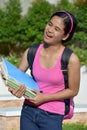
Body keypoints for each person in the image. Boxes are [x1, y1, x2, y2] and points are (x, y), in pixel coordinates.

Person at [8, 10, 80, 130]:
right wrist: (14, 88)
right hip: (28, 112)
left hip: (53, 116)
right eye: (50, 24)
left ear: (65, 36)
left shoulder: (71, 59)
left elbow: (73, 90)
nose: (50, 30)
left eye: (57, 29)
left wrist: (44, 98)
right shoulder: (31, 52)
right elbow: (16, 78)